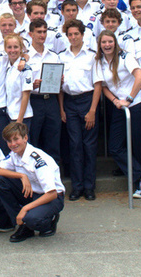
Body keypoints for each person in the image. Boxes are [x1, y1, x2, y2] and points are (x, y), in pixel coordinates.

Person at [94, 30, 141, 198]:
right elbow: (103, 86)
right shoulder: (99, 62)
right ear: (100, 44)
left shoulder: (125, 57)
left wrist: (129, 98)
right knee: (115, 146)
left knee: (139, 145)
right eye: (104, 42)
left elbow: (140, 78)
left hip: (136, 105)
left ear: (115, 43)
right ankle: (140, 174)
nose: (107, 45)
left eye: (110, 42)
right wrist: (114, 100)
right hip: (119, 107)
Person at [0, 122, 65, 242]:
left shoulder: (38, 160)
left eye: (16, 139)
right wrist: (21, 175)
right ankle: (23, 225)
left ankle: (49, 221)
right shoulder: (14, 154)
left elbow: (52, 193)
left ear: (25, 138)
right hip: (33, 194)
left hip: (52, 198)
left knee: (32, 219)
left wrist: (25, 208)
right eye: (9, 141)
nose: (13, 144)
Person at [59, 19, 100, 201]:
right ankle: (77, 187)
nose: (73, 37)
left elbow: (98, 84)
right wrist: (61, 109)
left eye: (76, 34)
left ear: (83, 35)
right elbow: (59, 87)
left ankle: (90, 187)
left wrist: (92, 110)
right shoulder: (61, 56)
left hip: (87, 101)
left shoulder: (92, 56)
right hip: (69, 102)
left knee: (89, 146)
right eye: (70, 34)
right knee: (74, 145)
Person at [26, 19, 62, 162]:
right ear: (30, 34)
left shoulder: (53, 56)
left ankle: (54, 178)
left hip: (51, 100)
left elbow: (59, 86)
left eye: (44, 31)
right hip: (34, 101)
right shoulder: (25, 57)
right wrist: (31, 85)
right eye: (39, 32)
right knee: (34, 139)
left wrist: (60, 81)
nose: (42, 35)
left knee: (53, 139)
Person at [4, 34, 34, 129]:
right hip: (10, 114)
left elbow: (26, 95)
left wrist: (19, 120)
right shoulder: (8, 67)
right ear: (5, 49)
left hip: (22, 117)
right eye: (9, 47)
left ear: (21, 48)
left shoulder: (25, 69)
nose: (12, 50)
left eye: (16, 47)